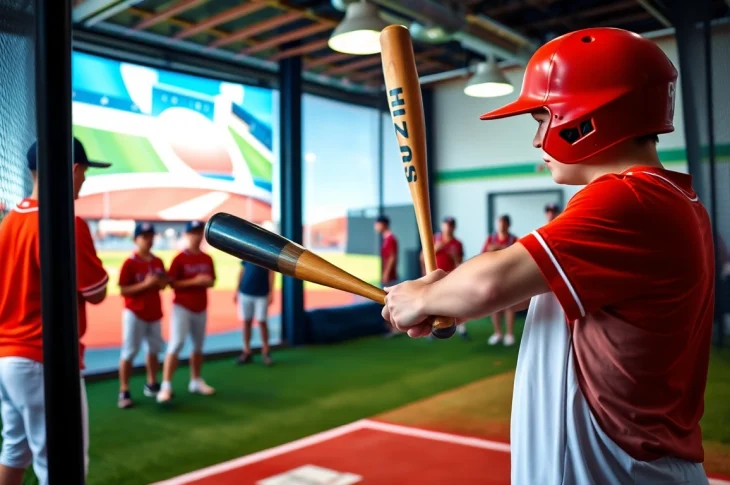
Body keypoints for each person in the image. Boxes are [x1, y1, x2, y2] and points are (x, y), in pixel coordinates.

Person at [382, 28, 714, 484]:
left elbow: (490, 283)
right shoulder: (662, 200)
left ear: (588, 117)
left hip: (613, 472)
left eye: (542, 119)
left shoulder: (628, 200)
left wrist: (421, 299)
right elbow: (527, 293)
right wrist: (445, 298)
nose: (538, 140)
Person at [0, 138, 110, 484]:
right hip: (44, 359)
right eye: (85, 172)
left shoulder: (8, 222)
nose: (85, 180)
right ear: (73, 170)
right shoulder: (65, 223)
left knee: (14, 451)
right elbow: (97, 292)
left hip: (6, 356)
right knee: (62, 467)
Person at [157, 221, 216, 403]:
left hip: (201, 306)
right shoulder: (179, 258)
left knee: (198, 345)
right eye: (193, 233)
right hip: (182, 306)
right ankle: (165, 385)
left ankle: (196, 380)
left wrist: (205, 282)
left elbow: (213, 280)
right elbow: (170, 284)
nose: (196, 236)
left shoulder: (207, 258)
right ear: (187, 235)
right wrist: (195, 281)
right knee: (176, 343)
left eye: (199, 233)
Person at [117, 222, 168, 409]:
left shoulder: (158, 261)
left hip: (154, 312)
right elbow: (123, 289)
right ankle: (124, 390)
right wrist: (146, 284)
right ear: (136, 240)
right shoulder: (130, 263)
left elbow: (164, 284)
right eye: (144, 236)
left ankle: (152, 383)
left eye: (151, 236)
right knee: (129, 351)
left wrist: (159, 282)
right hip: (134, 312)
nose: (149, 240)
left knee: (154, 350)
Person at [235, 222, 275, 366]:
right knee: (246, 322)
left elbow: (271, 273)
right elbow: (242, 271)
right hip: (245, 291)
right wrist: (237, 289)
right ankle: (247, 351)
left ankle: (266, 351)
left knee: (262, 322)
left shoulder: (268, 252)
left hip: (261, 292)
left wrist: (271, 292)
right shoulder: (247, 250)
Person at [481, 215, 518, 346]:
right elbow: (483, 255)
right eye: (499, 222)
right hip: (493, 275)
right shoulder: (491, 238)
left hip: (508, 275)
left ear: (508, 225)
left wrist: (501, 250)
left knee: (509, 305)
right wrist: (492, 250)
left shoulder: (513, 239)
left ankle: (509, 333)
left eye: (503, 223)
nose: (501, 225)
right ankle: (497, 333)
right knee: (495, 306)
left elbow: (517, 255)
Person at [374, 215, 400, 337]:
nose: (375, 226)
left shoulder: (390, 239)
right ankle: (392, 328)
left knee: (389, 302)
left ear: (383, 224)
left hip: (390, 277)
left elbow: (392, 257)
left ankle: (394, 328)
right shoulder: (386, 239)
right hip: (388, 275)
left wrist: (386, 273)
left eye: (377, 223)